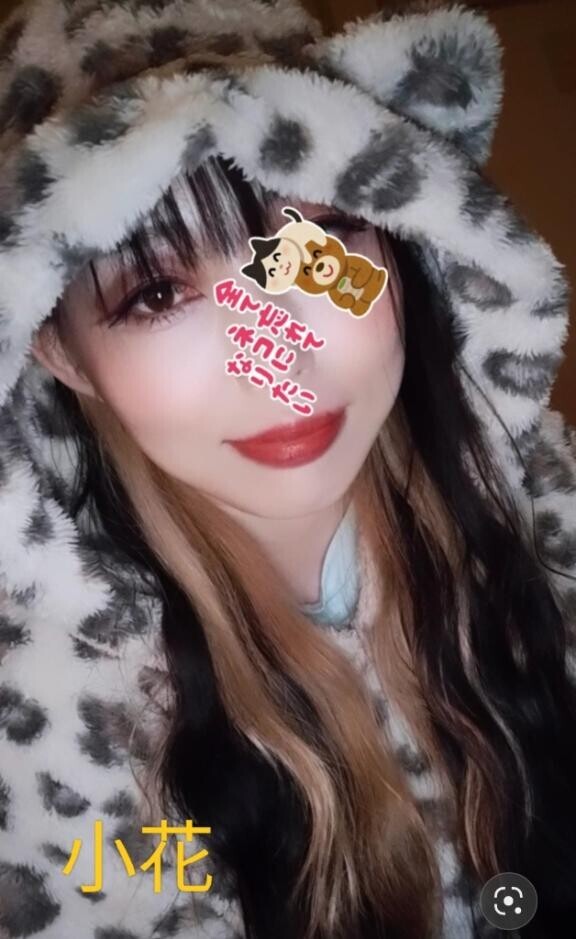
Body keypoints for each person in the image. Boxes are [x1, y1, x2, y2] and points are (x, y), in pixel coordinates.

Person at [1, 0, 576, 937]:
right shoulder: (45, 720)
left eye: (314, 249)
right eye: (158, 293)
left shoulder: (546, 496)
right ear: (57, 349)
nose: (277, 359)